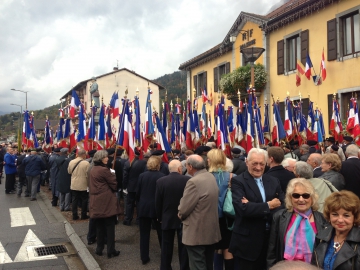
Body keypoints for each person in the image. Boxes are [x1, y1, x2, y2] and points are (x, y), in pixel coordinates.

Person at [229, 148, 284, 270]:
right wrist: (269, 206)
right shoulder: (239, 181)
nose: (258, 167)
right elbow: (242, 209)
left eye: (262, 164)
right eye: (255, 163)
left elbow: (283, 206)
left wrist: (253, 207)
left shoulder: (274, 181)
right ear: (247, 162)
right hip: (248, 243)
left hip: (271, 239)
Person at [267, 178, 328, 268]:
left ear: (312, 198)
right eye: (296, 195)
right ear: (290, 198)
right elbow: (272, 249)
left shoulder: (323, 219)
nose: (301, 199)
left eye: (306, 196)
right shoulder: (279, 217)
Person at [178, 154, 221, 270]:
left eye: (186, 165)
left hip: (196, 234)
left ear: (190, 166)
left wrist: (180, 214)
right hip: (210, 231)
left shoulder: (193, 182)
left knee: (197, 266)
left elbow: (183, 209)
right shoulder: (210, 176)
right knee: (207, 265)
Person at [311, 190, 360, 269]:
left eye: (346, 215)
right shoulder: (320, 237)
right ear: (329, 215)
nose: (340, 220)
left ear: (354, 217)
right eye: (335, 214)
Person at [155, 160, 190, 270]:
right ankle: (184, 267)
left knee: (166, 246)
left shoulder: (161, 181)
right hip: (184, 217)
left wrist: (159, 217)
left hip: (167, 217)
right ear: (179, 169)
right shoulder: (188, 180)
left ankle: (165, 267)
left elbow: (158, 201)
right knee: (183, 246)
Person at [89, 150, 121, 258]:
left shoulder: (93, 168)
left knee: (99, 226)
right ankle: (110, 250)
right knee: (110, 226)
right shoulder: (104, 170)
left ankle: (99, 248)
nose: (107, 159)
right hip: (106, 201)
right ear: (101, 159)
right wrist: (113, 175)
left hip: (96, 200)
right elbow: (114, 185)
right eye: (105, 157)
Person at [207, 149, 235, 270]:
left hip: (210, 217)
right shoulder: (232, 176)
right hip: (228, 216)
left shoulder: (205, 177)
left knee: (215, 247)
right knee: (228, 247)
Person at [136, 156, 165, 265]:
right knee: (161, 233)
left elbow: (137, 192)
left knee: (144, 234)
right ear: (158, 165)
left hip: (144, 207)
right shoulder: (162, 176)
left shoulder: (142, 176)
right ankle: (164, 255)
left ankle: (144, 257)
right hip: (157, 208)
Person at [122, 148, 147, 226]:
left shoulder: (127, 163)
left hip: (131, 186)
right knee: (139, 204)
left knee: (130, 204)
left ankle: (128, 219)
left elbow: (125, 176)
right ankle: (139, 220)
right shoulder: (144, 163)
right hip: (140, 186)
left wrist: (124, 186)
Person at [68, 149, 90, 220]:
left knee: (74, 199)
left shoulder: (71, 161)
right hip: (83, 183)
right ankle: (83, 215)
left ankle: (74, 215)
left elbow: (69, 171)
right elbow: (88, 174)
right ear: (83, 155)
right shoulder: (86, 163)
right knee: (84, 199)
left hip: (74, 183)